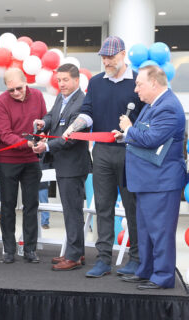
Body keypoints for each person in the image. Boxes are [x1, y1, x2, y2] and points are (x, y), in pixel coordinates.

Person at [62, 36, 144, 278]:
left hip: (131, 152)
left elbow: (147, 117)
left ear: (123, 54)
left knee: (132, 207)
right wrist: (74, 126)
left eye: (111, 56)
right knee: (103, 207)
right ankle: (104, 260)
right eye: (104, 57)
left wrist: (131, 130)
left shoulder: (138, 81)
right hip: (102, 153)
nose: (107, 61)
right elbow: (87, 112)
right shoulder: (96, 83)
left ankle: (136, 259)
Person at [114, 65, 186, 289]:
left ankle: (163, 277)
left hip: (161, 182)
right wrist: (127, 135)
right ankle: (146, 270)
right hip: (148, 181)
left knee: (160, 232)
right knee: (145, 231)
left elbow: (151, 138)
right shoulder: (153, 105)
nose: (136, 90)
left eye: (139, 84)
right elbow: (143, 134)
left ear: (154, 83)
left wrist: (128, 130)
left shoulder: (169, 107)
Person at [33, 63, 92, 271]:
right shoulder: (62, 97)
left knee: (72, 211)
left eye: (66, 80)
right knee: (70, 210)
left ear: (77, 80)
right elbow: (53, 116)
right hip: (63, 164)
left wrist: (46, 145)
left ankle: (73, 256)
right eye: (59, 80)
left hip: (74, 165)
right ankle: (77, 252)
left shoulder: (83, 103)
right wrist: (44, 122)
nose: (61, 84)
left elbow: (71, 138)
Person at [0, 68, 46, 264]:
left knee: (31, 205)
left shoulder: (39, 95)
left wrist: (41, 136)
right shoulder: (1, 101)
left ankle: (30, 249)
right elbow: (3, 134)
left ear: (26, 82)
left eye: (19, 88)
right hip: (8, 159)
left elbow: (44, 122)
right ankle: (9, 249)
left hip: (31, 159)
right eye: (11, 90)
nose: (15, 92)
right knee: (7, 206)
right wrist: (27, 143)